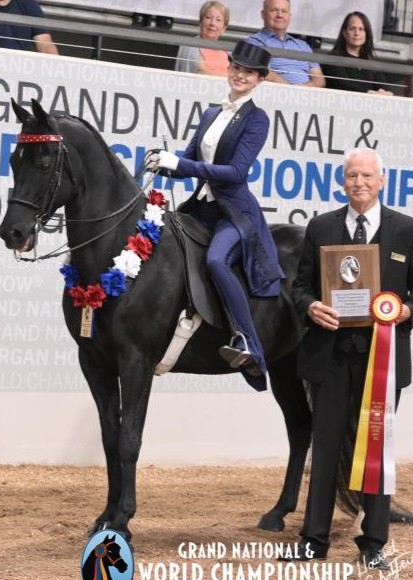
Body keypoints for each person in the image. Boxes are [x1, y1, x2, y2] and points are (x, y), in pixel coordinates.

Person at [290, 148, 413, 566]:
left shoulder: (407, 230)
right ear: (342, 181)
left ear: (382, 180)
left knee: (376, 448)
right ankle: (313, 539)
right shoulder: (321, 227)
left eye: (367, 175)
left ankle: (373, 542)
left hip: (383, 358)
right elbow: (300, 285)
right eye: (352, 175)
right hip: (330, 355)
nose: (359, 182)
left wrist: (407, 311)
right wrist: (309, 306)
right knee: (327, 446)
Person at [147, 41, 285, 392]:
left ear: (258, 80)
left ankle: (246, 340)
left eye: (248, 72)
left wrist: (182, 163)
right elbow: (189, 160)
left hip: (234, 212)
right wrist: (163, 163)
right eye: (236, 67)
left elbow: (236, 172)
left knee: (216, 262)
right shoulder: (211, 114)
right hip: (201, 208)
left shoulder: (257, 119)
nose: (240, 75)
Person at [246, 0, 325, 87]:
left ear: (289, 16)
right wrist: (290, 90)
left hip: (306, 96)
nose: (280, 15)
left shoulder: (303, 46)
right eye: (274, 10)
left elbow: (319, 78)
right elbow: (262, 71)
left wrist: (305, 89)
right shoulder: (255, 41)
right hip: (274, 95)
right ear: (263, 14)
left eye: (284, 11)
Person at [322, 12, 393, 95]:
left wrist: (386, 93)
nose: (357, 33)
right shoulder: (334, 58)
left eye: (361, 29)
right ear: (344, 33)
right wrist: (369, 93)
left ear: (366, 34)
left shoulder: (370, 61)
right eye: (352, 29)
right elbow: (344, 85)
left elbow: (384, 86)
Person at [175, 1, 230, 76]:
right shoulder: (190, 45)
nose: (212, 23)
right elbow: (200, 72)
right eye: (208, 18)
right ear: (200, 23)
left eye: (218, 20)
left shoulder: (228, 53)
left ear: (224, 28)